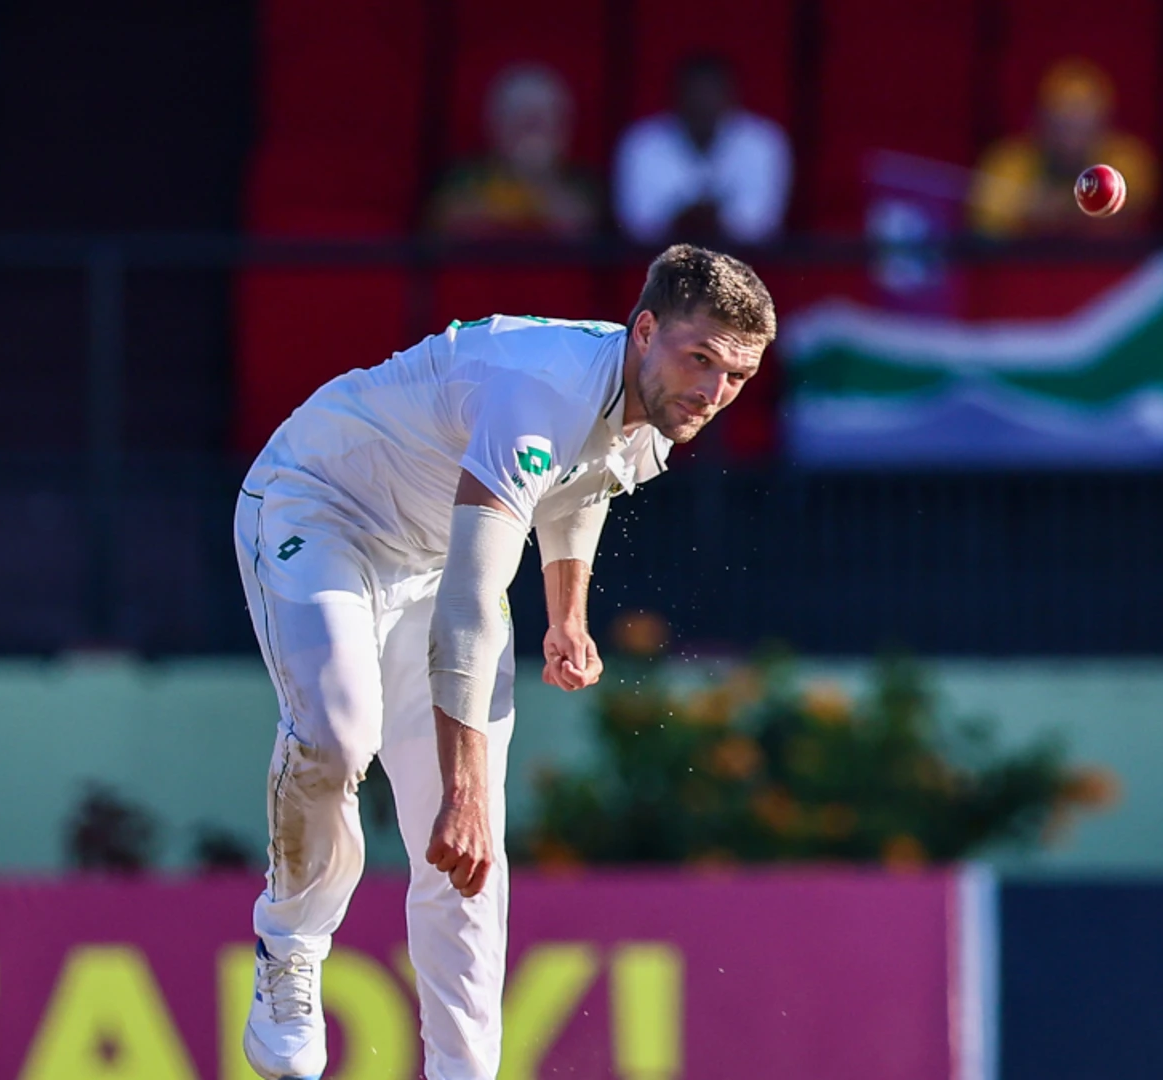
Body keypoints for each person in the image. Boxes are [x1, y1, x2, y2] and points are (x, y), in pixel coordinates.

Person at [234, 245, 774, 1080]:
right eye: (699, 360)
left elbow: (579, 483)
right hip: (322, 510)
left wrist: (569, 612)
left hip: (428, 560)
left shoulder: (653, 402)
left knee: (470, 861)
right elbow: (471, 603)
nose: (713, 391)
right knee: (342, 739)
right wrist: (462, 792)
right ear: (644, 332)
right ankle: (289, 948)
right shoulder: (544, 391)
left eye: (736, 375)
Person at [613, 54, 792, 245]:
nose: (702, 100)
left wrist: (715, 218)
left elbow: (760, 223)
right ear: (676, 95)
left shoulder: (762, 140)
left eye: (711, 91)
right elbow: (638, 224)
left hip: (741, 263)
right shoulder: (642, 141)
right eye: (694, 92)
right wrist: (685, 218)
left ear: (731, 95)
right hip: (660, 262)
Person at [968, 57, 1156, 238]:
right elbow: (986, 225)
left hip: (1108, 269)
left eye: (1082, 121)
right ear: (1040, 119)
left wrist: (1063, 208)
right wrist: (1025, 210)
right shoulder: (1008, 161)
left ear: (1103, 122)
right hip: (1025, 268)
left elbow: (1127, 210)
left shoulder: (1128, 159)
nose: (1072, 134)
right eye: (1062, 122)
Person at [428, 62, 599, 238]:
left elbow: (581, 226)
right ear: (495, 126)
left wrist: (539, 181)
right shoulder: (463, 177)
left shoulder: (585, 183)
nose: (532, 134)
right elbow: (450, 223)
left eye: (542, 122)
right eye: (523, 123)